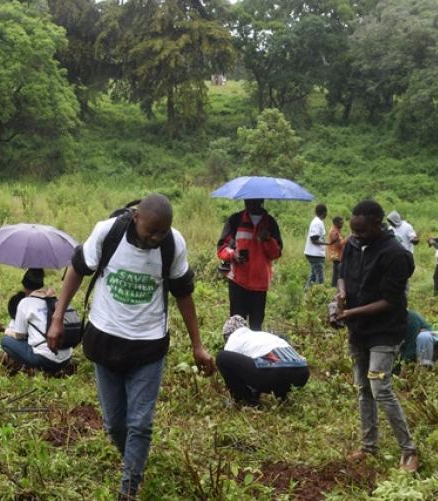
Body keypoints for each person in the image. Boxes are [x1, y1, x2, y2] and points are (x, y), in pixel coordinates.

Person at [46, 194, 215, 499]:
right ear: (136, 217)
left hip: (148, 347)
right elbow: (77, 269)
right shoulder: (107, 232)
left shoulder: (172, 245)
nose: (156, 238)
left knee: (140, 423)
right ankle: (134, 460)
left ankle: (130, 488)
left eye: (163, 231)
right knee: (115, 424)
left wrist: (197, 345)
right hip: (105, 340)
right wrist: (57, 317)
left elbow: (183, 294)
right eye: (152, 230)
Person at [334, 200, 419, 473]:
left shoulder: (395, 254)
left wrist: (351, 313)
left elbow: (391, 301)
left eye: (362, 232)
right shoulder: (352, 244)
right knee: (363, 389)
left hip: (385, 329)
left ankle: (409, 450)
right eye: (354, 231)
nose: (357, 237)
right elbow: (341, 274)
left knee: (380, 388)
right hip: (358, 330)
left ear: (377, 223)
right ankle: (368, 447)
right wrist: (342, 294)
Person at [216, 198, 282, 330]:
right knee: (236, 325)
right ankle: (236, 350)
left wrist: (267, 239)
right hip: (238, 282)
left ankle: (252, 351)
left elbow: (276, 253)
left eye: (254, 200)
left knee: (256, 327)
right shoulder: (235, 220)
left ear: (261, 200)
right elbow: (222, 248)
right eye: (248, 200)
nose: (250, 203)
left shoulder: (270, 223)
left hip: (260, 284)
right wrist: (233, 254)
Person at [216, 315, 309, 406]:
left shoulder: (234, 338)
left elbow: (237, 370)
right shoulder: (261, 335)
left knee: (222, 357)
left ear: (227, 335)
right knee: (267, 363)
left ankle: (244, 399)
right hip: (302, 373)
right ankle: (282, 396)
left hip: (276, 373)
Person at [0, 269, 72, 374]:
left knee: (5, 341)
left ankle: (30, 368)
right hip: (66, 358)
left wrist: (6, 331)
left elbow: (20, 335)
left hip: (46, 360)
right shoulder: (54, 299)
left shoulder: (25, 302)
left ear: (24, 286)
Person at [304, 203, 328, 288]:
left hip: (312, 253)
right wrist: (327, 243)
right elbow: (314, 239)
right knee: (320, 278)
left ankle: (307, 294)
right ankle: (318, 296)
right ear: (325, 213)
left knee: (313, 276)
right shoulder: (318, 222)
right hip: (315, 254)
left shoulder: (316, 221)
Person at [328, 216, 345, 287]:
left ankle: (334, 287)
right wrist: (348, 239)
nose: (342, 224)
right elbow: (339, 244)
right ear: (335, 223)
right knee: (338, 274)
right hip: (336, 255)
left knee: (336, 273)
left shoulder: (336, 230)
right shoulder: (334, 232)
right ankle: (335, 288)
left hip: (337, 255)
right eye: (340, 223)